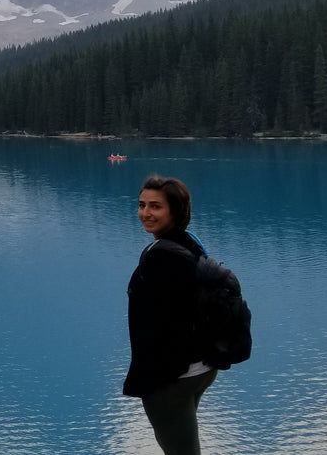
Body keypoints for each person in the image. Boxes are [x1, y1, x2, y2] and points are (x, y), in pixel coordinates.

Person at [124, 175, 216, 455]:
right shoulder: (190, 243)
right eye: (142, 205)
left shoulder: (160, 256)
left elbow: (164, 324)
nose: (145, 213)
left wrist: (152, 379)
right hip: (202, 367)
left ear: (175, 211)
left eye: (155, 206)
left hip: (171, 379)